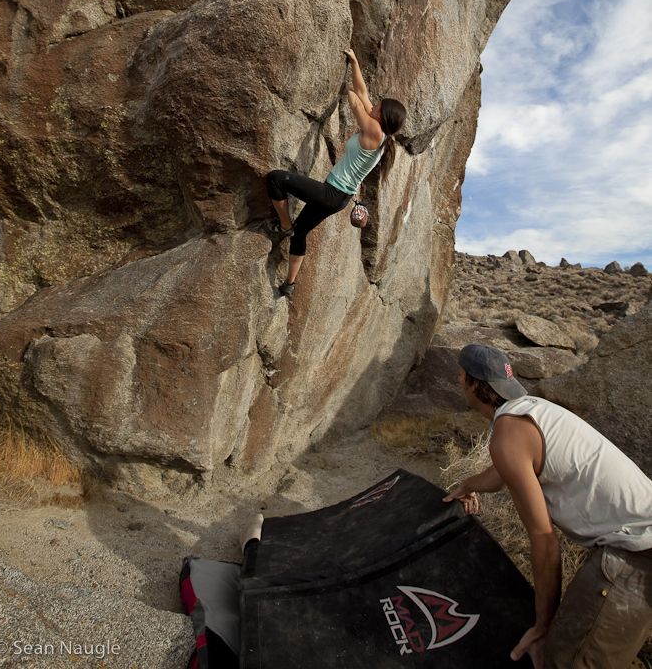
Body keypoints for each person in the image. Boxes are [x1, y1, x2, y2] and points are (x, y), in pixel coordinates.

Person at [442, 343, 652, 669]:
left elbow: (545, 542)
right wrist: (469, 485)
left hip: (635, 553)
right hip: (640, 536)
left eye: (459, 377)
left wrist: (543, 627)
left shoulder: (507, 435)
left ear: (474, 385)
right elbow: (506, 471)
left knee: (565, 657)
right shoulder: (532, 410)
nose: (458, 384)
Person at [264, 47, 406, 296]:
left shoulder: (374, 131)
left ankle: (284, 225)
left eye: (378, 106)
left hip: (332, 193)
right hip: (337, 197)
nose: (373, 105)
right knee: (302, 231)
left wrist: (345, 88)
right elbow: (363, 93)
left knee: (276, 179)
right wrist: (354, 62)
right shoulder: (382, 135)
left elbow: (356, 103)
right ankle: (290, 284)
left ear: (382, 116)